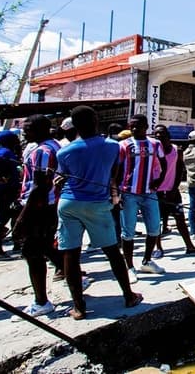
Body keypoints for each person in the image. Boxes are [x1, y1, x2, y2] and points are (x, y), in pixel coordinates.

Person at [56, 105, 142, 320]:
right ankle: (128, 295)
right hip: (97, 203)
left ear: (74, 126)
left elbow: (62, 178)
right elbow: (115, 173)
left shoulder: (64, 151)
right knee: (112, 250)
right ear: (96, 121)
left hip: (69, 203)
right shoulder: (113, 146)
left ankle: (79, 307)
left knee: (71, 254)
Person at [13, 114, 64, 316]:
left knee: (32, 252)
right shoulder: (54, 146)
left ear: (41, 129)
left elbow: (39, 187)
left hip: (39, 208)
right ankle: (73, 274)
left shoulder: (43, 151)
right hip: (48, 206)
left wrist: (22, 218)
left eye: (28, 129)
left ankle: (41, 301)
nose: (25, 133)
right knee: (46, 247)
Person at [116, 114, 167, 281]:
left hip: (149, 193)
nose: (134, 129)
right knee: (128, 233)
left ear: (146, 127)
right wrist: (116, 193)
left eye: (137, 126)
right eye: (131, 126)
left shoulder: (155, 144)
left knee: (154, 229)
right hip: (128, 193)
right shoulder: (123, 145)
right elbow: (116, 170)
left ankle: (147, 261)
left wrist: (159, 180)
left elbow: (164, 163)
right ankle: (130, 267)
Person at [152, 125, 195, 257]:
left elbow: (180, 170)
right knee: (156, 222)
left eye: (161, 134)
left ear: (168, 135)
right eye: (156, 134)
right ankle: (158, 247)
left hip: (173, 192)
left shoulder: (176, 150)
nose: (158, 136)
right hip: (156, 192)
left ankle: (189, 246)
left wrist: (174, 188)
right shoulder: (152, 151)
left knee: (180, 219)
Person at [0, 130, 22, 258]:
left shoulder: (4, 151)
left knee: (15, 214)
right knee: (1, 218)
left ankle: (17, 243)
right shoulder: (4, 153)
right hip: (6, 190)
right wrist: (1, 179)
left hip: (7, 189)